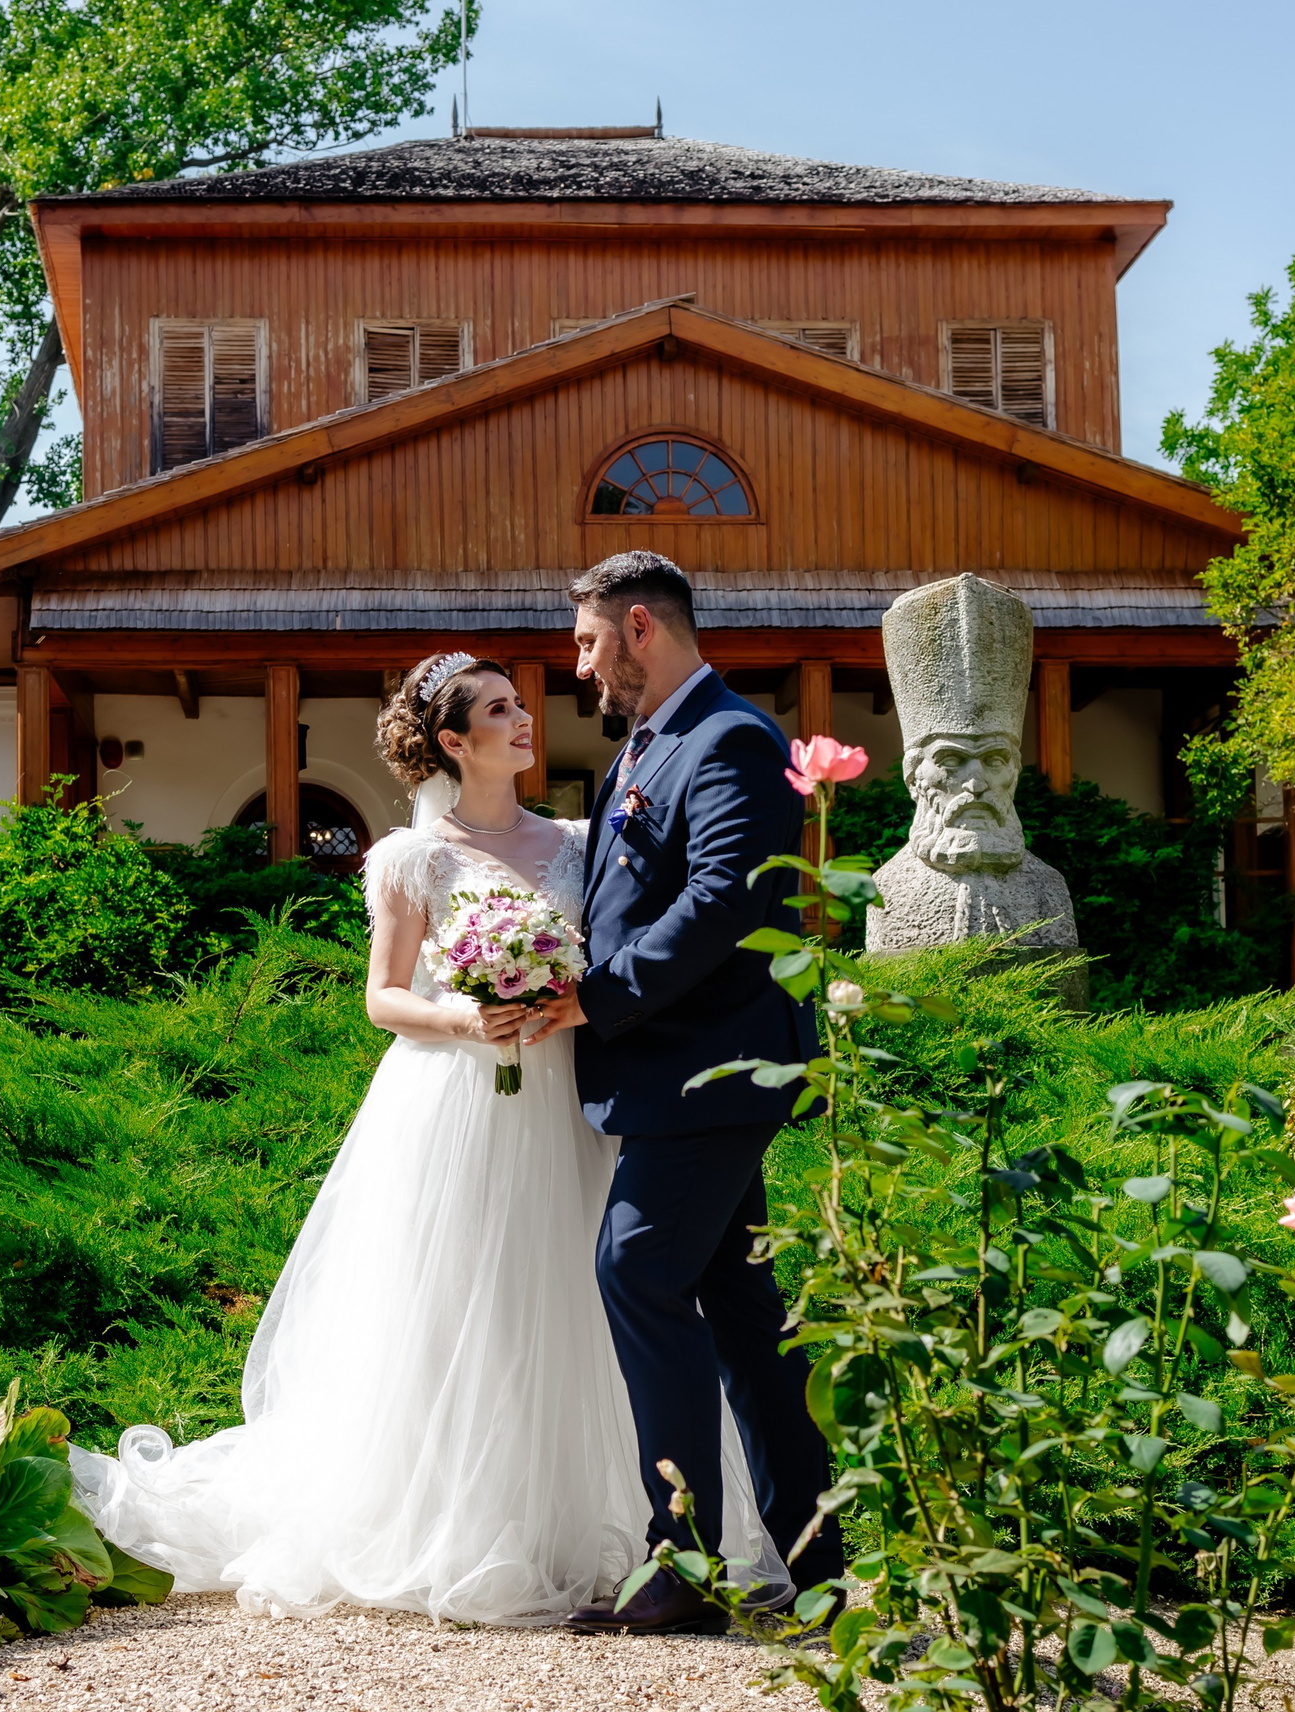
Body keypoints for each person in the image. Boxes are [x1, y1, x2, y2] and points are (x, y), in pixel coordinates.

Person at [69, 647, 787, 1624]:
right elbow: (382, 995)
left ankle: (598, 1525)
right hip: (457, 1099)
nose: (525, 717)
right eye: (499, 708)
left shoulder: (578, 844)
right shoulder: (413, 856)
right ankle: (467, 1520)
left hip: (571, 1093)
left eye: (520, 701)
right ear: (454, 741)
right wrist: (466, 1016)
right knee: (467, 1300)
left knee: (572, 1295)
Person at [521, 549, 844, 1635]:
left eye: (584, 641)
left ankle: (686, 1563)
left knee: (634, 1269)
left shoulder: (733, 741)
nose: (578, 667)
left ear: (641, 626)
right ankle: (820, 1561)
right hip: (672, 1072)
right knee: (745, 1316)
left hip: (714, 1070)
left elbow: (718, 903)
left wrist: (592, 996)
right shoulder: (649, 747)